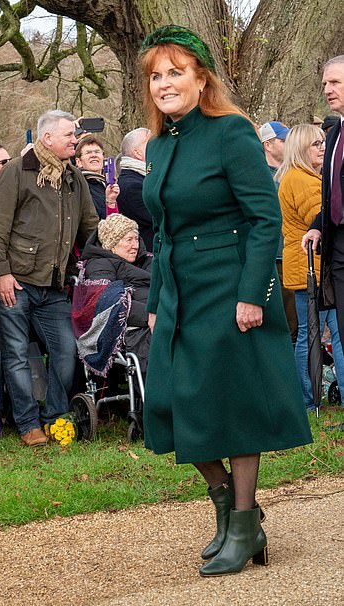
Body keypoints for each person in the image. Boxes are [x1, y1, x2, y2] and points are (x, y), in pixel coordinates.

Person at [139, 25, 311, 577]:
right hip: (181, 291)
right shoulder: (162, 143)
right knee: (172, 403)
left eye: (175, 72)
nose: (164, 84)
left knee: (231, 406)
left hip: (231, 287)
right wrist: (158, 299)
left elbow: (264, 219)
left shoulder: (231, 132)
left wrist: (253, 295)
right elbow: (163, 231)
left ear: (200, 78)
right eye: (156, 75)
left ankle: (239, 526)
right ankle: (237, 512)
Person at [0, 109, 99, 447]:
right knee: (17, 354)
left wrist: (111, 253)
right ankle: (29, 423)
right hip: (13, 280)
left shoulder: (73, 178)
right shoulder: (16, 171)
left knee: (66, 352)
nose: (74, 140)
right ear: (47, 138)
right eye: (68, 136)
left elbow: (89, 227)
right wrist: (0, 272)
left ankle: (55, 417)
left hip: (53, 284)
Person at [277, 124, 344, 409]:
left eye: (323, 142)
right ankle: (308, 397)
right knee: (318, 334)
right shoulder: (302, 180)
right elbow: (320, 218)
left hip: (307, 264)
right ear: (301, 148)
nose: (322, 147)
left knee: (315, 332)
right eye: (316, 143)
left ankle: (309, 397)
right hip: (310, 266)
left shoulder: (300, 177)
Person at [303, 56, 344, 342]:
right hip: (338, 248)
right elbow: (331, 193)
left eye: (335, 82)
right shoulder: (333, 136)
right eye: (325, 84)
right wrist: (318, 223)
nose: (328, 89)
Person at [81, 213, 152, 367]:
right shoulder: (99, 265)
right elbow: (108, 300)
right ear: (112, 244)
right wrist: (151, 314)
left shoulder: (146, 260)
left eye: (136, 239)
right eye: (129, 240)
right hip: (138, 325)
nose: (136, 245)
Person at [259, 120, 297, 342]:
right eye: (284, 141)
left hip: (292, 254)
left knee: (295, 322)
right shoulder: (258, 176)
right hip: (271, 257)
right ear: (268, 144)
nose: (289, 145)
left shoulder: (292, 172)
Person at [117, 128, 154, 250]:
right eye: (150, 142)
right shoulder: (132, 186)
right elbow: (160, 218)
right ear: (137, 153)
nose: (156, 146)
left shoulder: (142, 179)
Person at [74, 135, 120, 219]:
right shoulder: (77, 185)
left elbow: (113, 222)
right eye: (88, 153)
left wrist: (111, 202)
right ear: (79, 162)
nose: (93, 155)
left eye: (97, 152)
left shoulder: (108, 184)